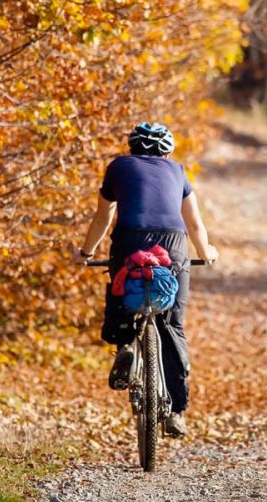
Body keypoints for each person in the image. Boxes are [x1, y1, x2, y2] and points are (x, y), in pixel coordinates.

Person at [73, 122, 218, 437]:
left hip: (130, 238)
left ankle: (124, 342)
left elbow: (104, 216)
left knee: (121, 289)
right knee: (172, 323)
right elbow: (194, 223)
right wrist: (206, 253)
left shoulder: (118, 167)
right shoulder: (178, 171)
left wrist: (86, 252)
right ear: (166, 151)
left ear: (131, 148)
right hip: (173, 243)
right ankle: (177, 412)